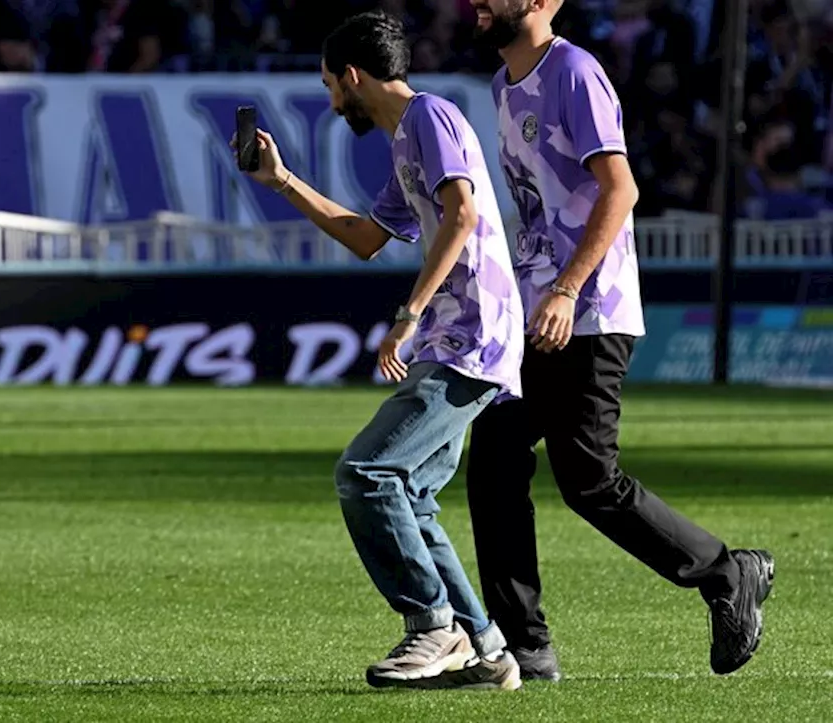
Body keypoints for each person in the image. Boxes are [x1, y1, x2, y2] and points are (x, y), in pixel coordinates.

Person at [465, 0, 774, 681]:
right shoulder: (502, 85)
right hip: (541, 308)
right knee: (493, 456)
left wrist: (569, 290)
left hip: (589, 309)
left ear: (545, 3)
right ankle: (524, 643)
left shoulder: (574, 72)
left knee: (588, 480)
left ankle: (728, 572)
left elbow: (620, 187)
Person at [236, 11, 523, 691]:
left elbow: (463, 215)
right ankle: (486, 648)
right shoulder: (409, 138)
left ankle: (432, 625)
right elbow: (368, 237)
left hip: (467, 337)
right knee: (412, 495)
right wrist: (281, 180)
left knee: (366, 471)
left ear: (352, 75)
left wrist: (408, 314)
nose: (333, 100)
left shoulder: (430, 118)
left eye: (331, 84)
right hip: (458, 336)